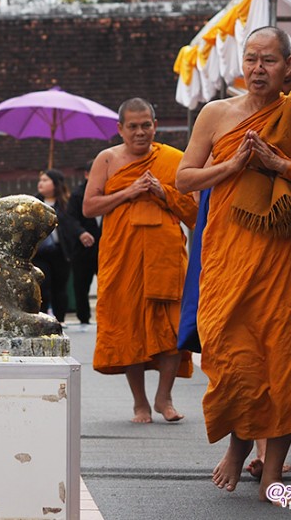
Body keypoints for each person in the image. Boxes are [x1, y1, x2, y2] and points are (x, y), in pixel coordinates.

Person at [175, 26, 291, 501]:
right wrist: (233, 165)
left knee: (286, 365)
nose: (258, 69)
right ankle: (239, 449)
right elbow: (185, 179)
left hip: (289, 262)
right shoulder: (216, 114)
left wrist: (283, 168)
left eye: (269, 61)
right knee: (238, 361)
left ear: (290, 66)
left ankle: (272, 469)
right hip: (229, 261)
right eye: (251, 59)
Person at [83, 98, 197, 424]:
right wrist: (130, 191)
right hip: (122, 256)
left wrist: (165, 194)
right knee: (128, 326)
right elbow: (90, 207)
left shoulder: (173, 160)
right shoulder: (107, 159)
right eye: (132, 126)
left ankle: (165, 397)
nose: (140, 132)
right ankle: (140, 403)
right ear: (120, 129)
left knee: (173, 327)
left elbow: (193, 212)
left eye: (146, 125)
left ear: (155, 125)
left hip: (166, 255)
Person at [33, 169, 75, 324]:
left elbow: (71, 225)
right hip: (39, 251)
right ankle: (42, 318)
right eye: (40, 180)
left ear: (55, 184)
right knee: (42, 286)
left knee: (60, 287)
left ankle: (60, 320)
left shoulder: (66, 204)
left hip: (60, 250)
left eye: (45, 180)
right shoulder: (34, 203)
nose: (41, 183)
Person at [66, 160, 101, 325]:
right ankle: (84, 318)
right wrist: (81, 233)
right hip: (83, 248)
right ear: (87, 174)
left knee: (109, 283)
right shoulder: (78, 194)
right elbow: (70, 218)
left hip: (106, 246)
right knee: (81, 285)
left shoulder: (112, 189)